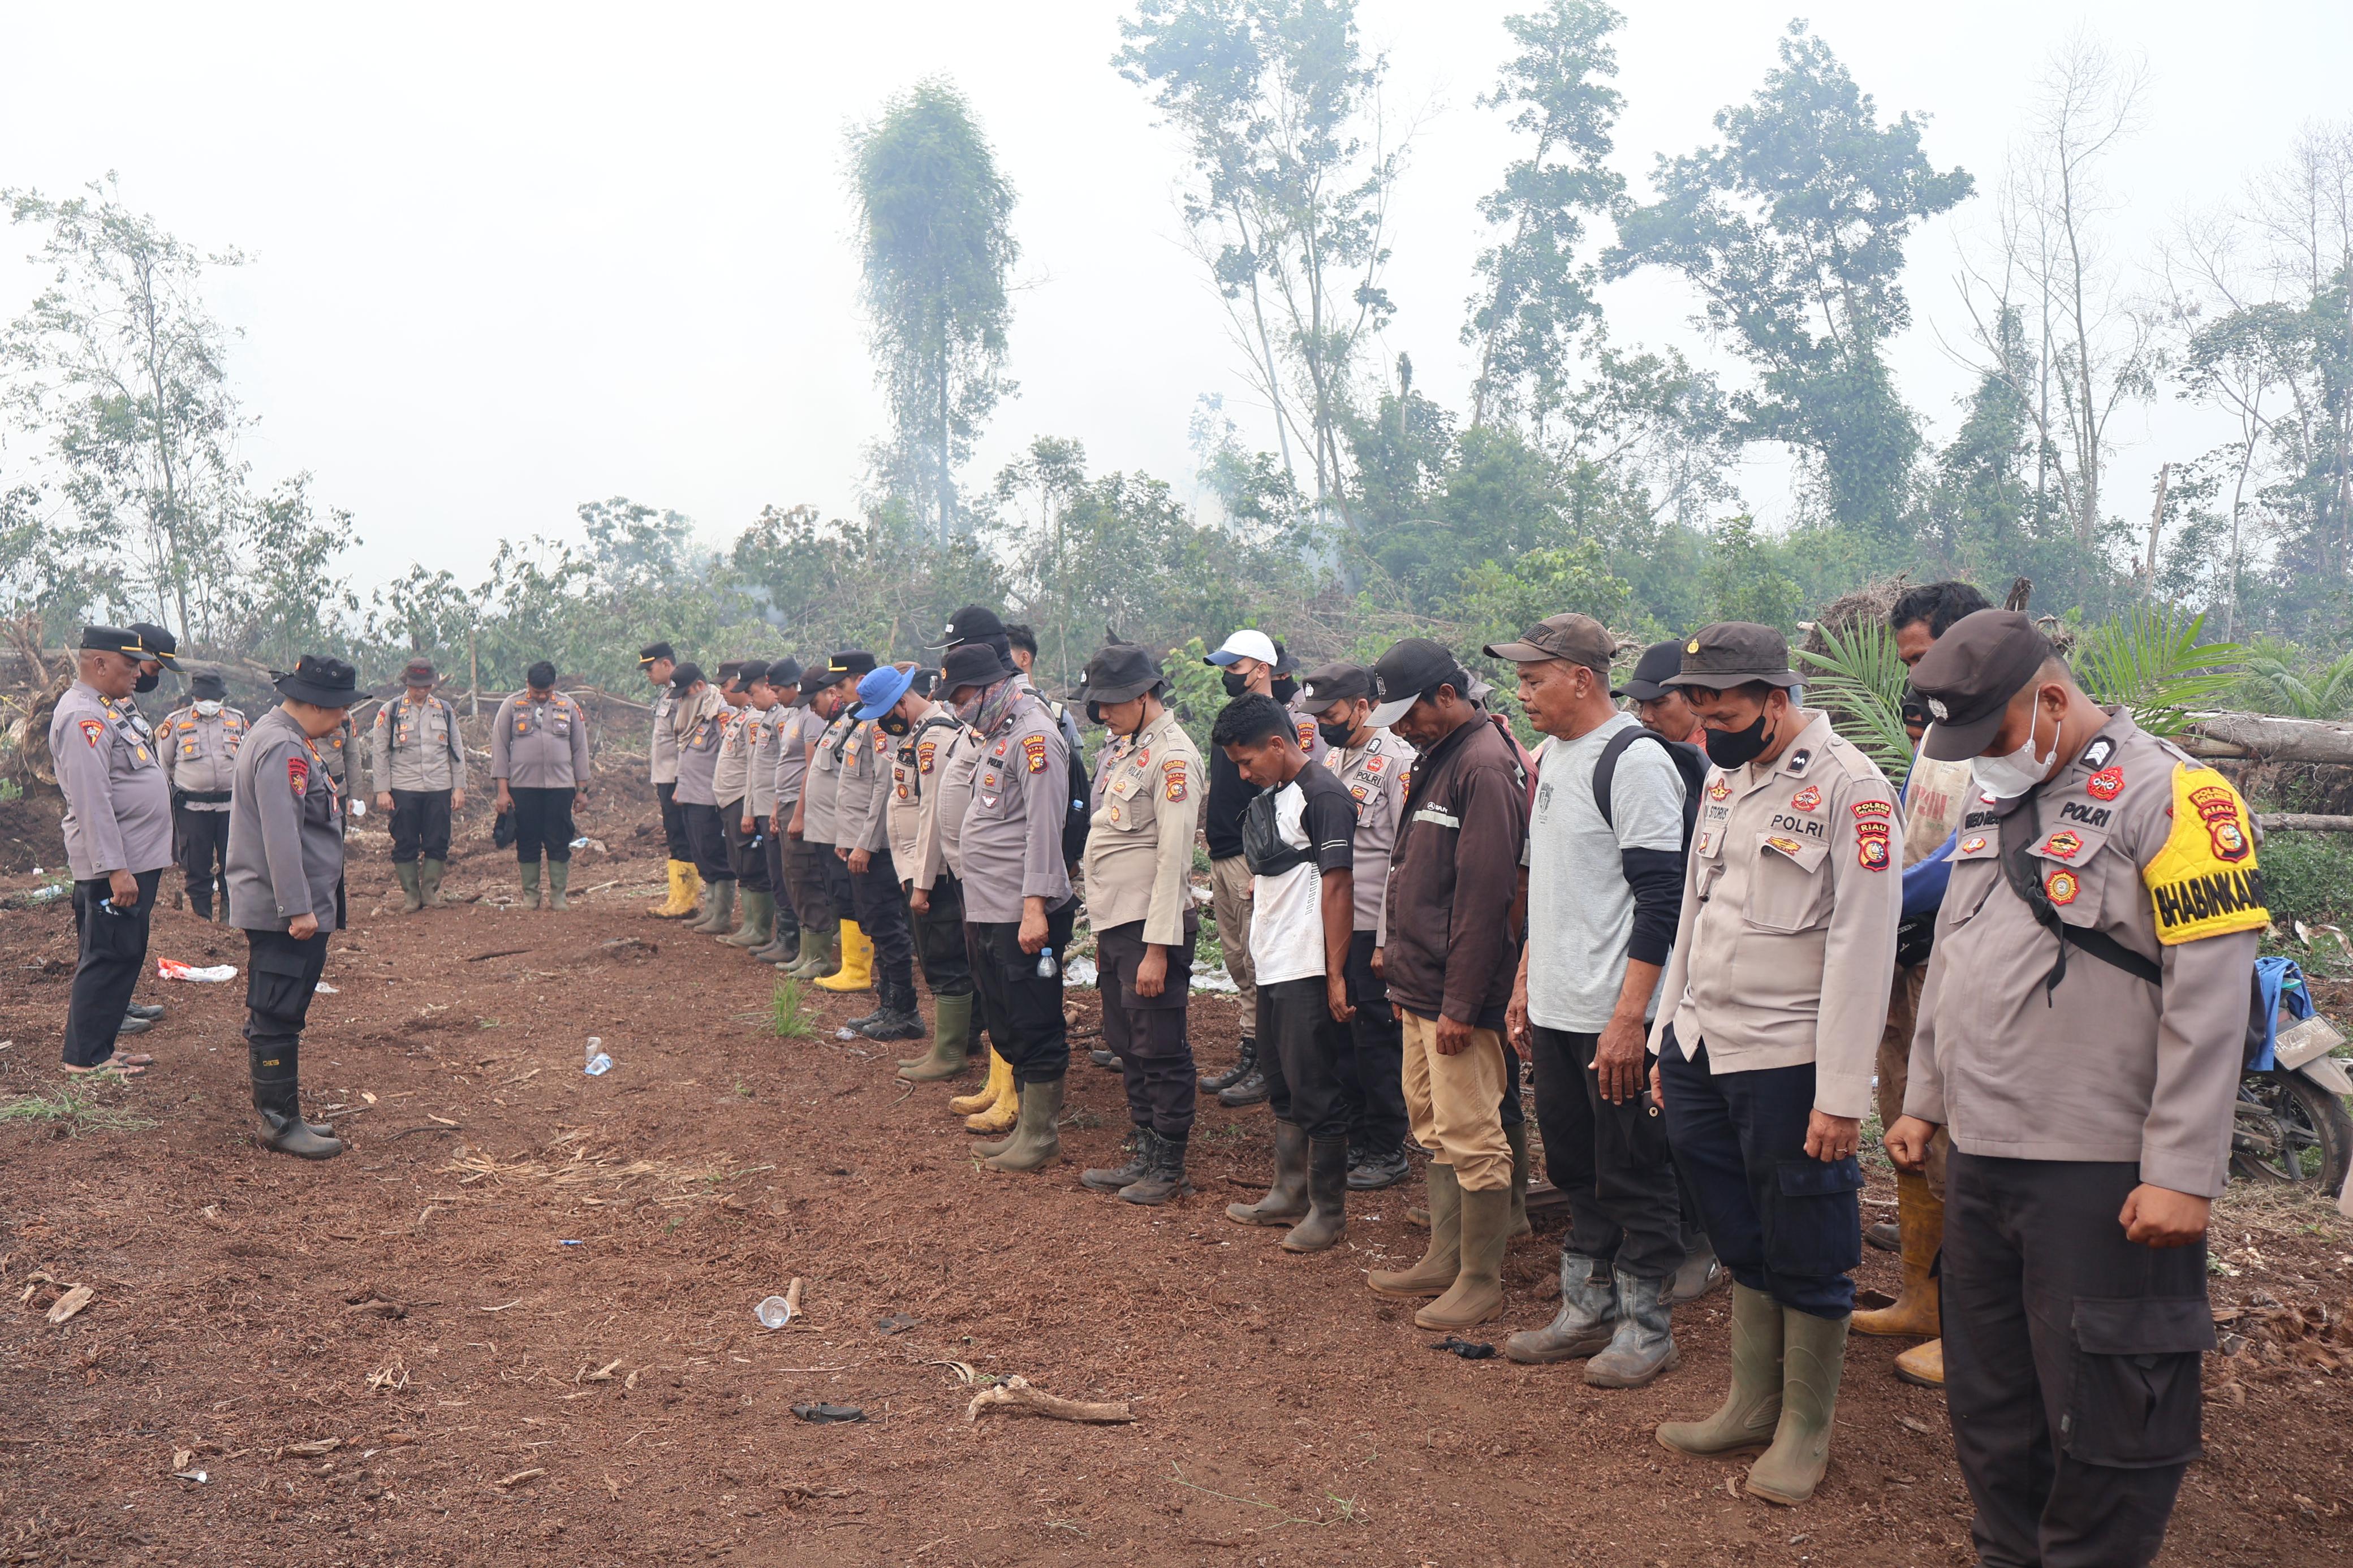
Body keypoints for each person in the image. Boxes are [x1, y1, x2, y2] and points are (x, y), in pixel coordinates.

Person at [1889, 611, 2262, 1567]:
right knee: (1994, 1401)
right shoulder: (1995, 799)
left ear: (2051, 698)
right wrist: (1925, 1097)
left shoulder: (2178, 798)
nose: (1983, 761)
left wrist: (2183, 1169)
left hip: (2101, 1177)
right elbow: (1958, 957)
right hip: (1981, 1159)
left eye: (1993, 737)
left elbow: (2210, 1000)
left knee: (2107, 1415)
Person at [1645, 623, 1900, 1507]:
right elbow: (1693, 907)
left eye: (1724, 708)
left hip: (1790, 1058)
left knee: (1809, 1240)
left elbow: (1863, 950)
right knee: (1738, 1229)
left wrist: (1841, 1095)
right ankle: (1752, 1401)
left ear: (1776, 699)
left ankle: (1805, 1427)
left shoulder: (1852, 790)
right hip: (1702, 1044)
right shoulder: (1725, 775)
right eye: (1700, 707)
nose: (1709, 722)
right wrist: (1663, 1033)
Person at [1487, 615, 1691, 1387]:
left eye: (1535, 678)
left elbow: (1661, 897)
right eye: (1522, 679)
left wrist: (1630, 1017)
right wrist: (1526, 982)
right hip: (1559, 1007)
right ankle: (1587, 1306)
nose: (1524, 693)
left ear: (1582, 677)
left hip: (1614, 1013)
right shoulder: (1555, 758)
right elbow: (1551, 885)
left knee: (1635, 1168)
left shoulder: (1634, 761)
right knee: (1576, 1163)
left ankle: (1647, 1325)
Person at [1363, 638, 1530, 1329]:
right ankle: (1444, 1252)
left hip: (1458, 993)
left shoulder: (1485, 766)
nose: (1402, 727)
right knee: (1431, 1123)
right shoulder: (1440, 755)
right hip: (1420, 984)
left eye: (1411, 713)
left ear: (1446, 695)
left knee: (1471, 1129)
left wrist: (1461, 1003)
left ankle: (1479, 1278)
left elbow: (1485, 897)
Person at [1853, 580, 1991, 1389]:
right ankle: (1920, 1298)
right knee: (1906, 1126)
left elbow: (1959, 859)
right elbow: (1915, 838)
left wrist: (1872, 898)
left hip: (1958, 966)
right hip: (1908, 961)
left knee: (1959, 1144)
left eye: (1923, 656)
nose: (1917, 675)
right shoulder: (1936, 741)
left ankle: (1971, 1327)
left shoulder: (2004, 742)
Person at [1214, 692, 1359, 1247]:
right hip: (1273, 958)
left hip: (1306, 960)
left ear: (1278, 743)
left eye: (1247, 761)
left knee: (1314, 1083)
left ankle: (1328, 1211)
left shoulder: (1323, 794)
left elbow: (1339, 883)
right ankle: (1288, 1190)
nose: (1244, 773)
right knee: (1281, 1081)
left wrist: (1336, 972)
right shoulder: (1276, 793)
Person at [1067, 642, 1205, 1203]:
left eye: (1110, 703)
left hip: (1152, 927)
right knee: (1128, 1042)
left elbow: (1174, 860)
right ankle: (1145, 1150)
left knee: (1159, 1047)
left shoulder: (1172, 758)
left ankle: (1169, 1166)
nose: (1101, 714)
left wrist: (1156, 949)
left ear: (1144, 695)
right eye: (1096, 704)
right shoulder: (1131, 749)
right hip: (1118, 923)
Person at [226, 654, 359, 1159]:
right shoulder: (283, 746)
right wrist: (299, 907)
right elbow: (282, 835)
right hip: (285, 910)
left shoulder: (284, 737)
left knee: (282, 1007)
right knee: (276, 1010)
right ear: (316, 703)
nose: (345, 718)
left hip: (289, 904)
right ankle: (278, 1123)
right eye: (342, 708)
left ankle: (286, 1113)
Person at [951, 640, 1076, 1172]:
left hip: (1021, 910)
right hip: (989, 905)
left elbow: (1044, 831)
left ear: (990, 687)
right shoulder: (999, 732)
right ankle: (1025, 1125)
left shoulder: (1035, 736)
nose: (956, 707)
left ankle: (1041, 1135)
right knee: (1005, 1020)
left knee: (1034, 1019)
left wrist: (1035, 908)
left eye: (961, 696)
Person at [1293, 662, 1415, 1192]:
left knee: (1376, 1041)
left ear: (1364, 706)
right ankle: (1359, 1137)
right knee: (1342, 1036)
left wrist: (1389, 940)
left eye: (1334, 713)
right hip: (1336, 921)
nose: (1324, 724)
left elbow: (1404, 858)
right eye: (1317, 715)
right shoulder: (1336, 756)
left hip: (1373, 927)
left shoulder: (1397, 761)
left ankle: (1387, 1147)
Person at [50, 626, 178, 1077]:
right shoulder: (83, 717)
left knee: (123, 951)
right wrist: (116, 869)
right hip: (116, 865)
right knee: (106, 956)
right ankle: (84, 1059)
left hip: (134, 859)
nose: (136, 675)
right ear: (99, 664)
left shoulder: (107, 710)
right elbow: (93, 800)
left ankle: (100, 1049)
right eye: (128, 666)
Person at [912, 646, 1013, 1128]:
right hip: (967, 875)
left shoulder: (1023, 733)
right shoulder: (975, 732)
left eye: (963, 695)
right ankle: (997, 1082)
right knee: (988, 985)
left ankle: (1017, 1099)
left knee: (1009, 995)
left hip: (1000, 885)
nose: (957, 705)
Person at [1197, 629, 1286, 1104]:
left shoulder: (1280, 728)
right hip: (1221, 854)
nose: (1229, 676)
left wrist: (1261, 866)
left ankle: (1267, 1063)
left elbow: (1275, 801)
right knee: (1236, 960)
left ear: (1262, 669)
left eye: (1236, 668)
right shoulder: (1231, 721)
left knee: (1258, 960)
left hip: (1251, 860)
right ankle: (1251, 1051)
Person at [881, 662, 978, 1073]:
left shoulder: (934, 739)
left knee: (945, 959)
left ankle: (951, 1052)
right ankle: (955, 1042)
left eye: (886, 715)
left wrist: (921, 883)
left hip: (935, 873)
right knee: (936, 957)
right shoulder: (918, 735)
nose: (883, 725)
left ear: (902, 704)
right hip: (918, 868)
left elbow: (933, 815)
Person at [834, 664, 921, 1034]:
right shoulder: (866, 721)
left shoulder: (884, 728)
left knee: (887, 926)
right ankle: (888, 1004)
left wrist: (865, 845)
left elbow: (883, 790)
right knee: (875, 924)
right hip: (861, 842)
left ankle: (903, 1011)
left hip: (879, 846)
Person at [489, 661, 593, 910]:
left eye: (547, 691)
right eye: (537, 692)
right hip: (523, 787)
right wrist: (503, 792)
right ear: (528, 685)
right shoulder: (511, 706)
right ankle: (531, 896)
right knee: (527, 839)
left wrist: (582, 789)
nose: (542, 696)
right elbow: (500, 749)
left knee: (559, 839)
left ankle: (558, 896)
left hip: (561, 786)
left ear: (554, 686)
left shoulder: (569, 706)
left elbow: (580, 749)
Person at [369, 656, 467, 912]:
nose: (421, 691)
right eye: (416, 686)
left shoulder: (444, 710)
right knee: (405, 841)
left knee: (438, 840)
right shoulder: (390, 711)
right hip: (404, 786)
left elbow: (457, 751)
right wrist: (382, 790)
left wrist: (459, 787)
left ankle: (430, 892)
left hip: (439, 786)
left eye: (426, 686)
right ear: (406, 683)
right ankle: (411, 896)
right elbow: (380, 753)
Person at [782, 658, 853, 979]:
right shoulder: (834, 723)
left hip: (839, 827)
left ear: (831, 694)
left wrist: (800, 815)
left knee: (842, 896)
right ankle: (815, 954)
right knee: (823, 887)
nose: (812, 710)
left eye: (815, 702)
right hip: (823, 825)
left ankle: (849, 966)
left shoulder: (854, 722)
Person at [160, 668, 247, 921]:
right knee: (197, 867)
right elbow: (162, 767)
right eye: (204, 698)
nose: (209, 703)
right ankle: (202, 918)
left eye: (214, 698)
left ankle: (230, 919)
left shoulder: (238, 720)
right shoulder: (175, 723)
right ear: (194, 697)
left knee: (234, 864)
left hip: (231, 809)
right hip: (192, 809)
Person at [715, 661, 781, 952]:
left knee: (754, 866)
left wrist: (749, 810)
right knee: (742, 865)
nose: (728, 692)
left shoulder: (757, 719)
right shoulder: (743, 716)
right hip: (733, 799)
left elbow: (757, 765)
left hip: (745, 800)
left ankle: (760, 928)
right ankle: (750, 925)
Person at [745, 658, 805, 966]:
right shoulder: (778, 716)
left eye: (777, 688)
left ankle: (792, 940)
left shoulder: (791, 717)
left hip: (784, 806)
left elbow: (794, 767)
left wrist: (775, 808)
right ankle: (783, 935)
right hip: (775, 805)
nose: (774, 693)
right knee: (777, 873)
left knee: (788, 875)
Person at [668, 662, 734, 931]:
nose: (683, 699)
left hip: (710, 797)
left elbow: (729, 756)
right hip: (691, 795)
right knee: (701, 854)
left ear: (700, 686)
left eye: (686, 693)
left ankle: (722, 916)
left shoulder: (720, 713)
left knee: (715, 854)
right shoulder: (692, 715)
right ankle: (710, 910)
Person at [641, 641, 702, 919]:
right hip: (665, 777)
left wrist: (682, 781)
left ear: (667, 664)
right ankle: (676, 897)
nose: (648, 674)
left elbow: (686, 740)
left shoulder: (682, 695)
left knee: (683, 837)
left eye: (650, 668)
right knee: (674, 838)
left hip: (678, 777)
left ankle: (687, 901)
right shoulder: (667, 695)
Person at [1003, 621, 1087, 763]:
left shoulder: (1060, 719)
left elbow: (1075, 777)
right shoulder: (990, 715)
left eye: (1004, 655)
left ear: (1024, 658)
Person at [1615, 640, 1705, 747]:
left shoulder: (1714, 759)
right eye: (1641, 704)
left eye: (1658, 703)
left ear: (1695, 698)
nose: (1645, 716)